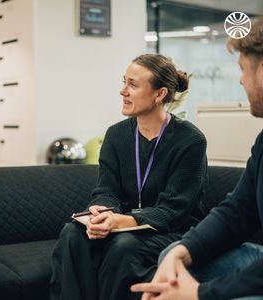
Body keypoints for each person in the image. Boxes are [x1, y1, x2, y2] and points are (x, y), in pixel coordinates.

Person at [50, 53, 208, 300]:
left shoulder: (190, 140)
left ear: (160, 94)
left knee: (123, 246)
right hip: (125, 224)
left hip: (172, 229)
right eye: (124, 82)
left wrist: (121, 222)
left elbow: (173, 210)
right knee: (72, 234)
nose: (123, 91)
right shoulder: (116, 135)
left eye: (133, 85)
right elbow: (106, 190)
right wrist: (102, 213)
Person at [131, 17, 263, 300]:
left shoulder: (188, 138)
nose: (240, 80)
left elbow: (175, 207)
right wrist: (183, 249)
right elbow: (237, 211)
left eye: (243, 70)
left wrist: (201, 294)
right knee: (172, 258)